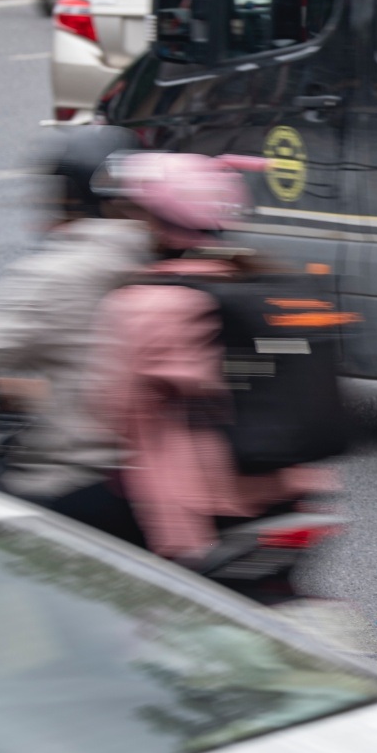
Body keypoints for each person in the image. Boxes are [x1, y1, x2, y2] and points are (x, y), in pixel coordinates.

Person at [91, 152, 339, 561]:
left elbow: (112, 410)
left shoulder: (145, 304)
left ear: (152, 222)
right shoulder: (264, 280)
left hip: (195, 509)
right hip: (289, 489)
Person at [0, 125, 151, 540]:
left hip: (80, 478)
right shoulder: (164, 253)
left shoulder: (57, 273)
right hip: (165, 478)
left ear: (69, 195)